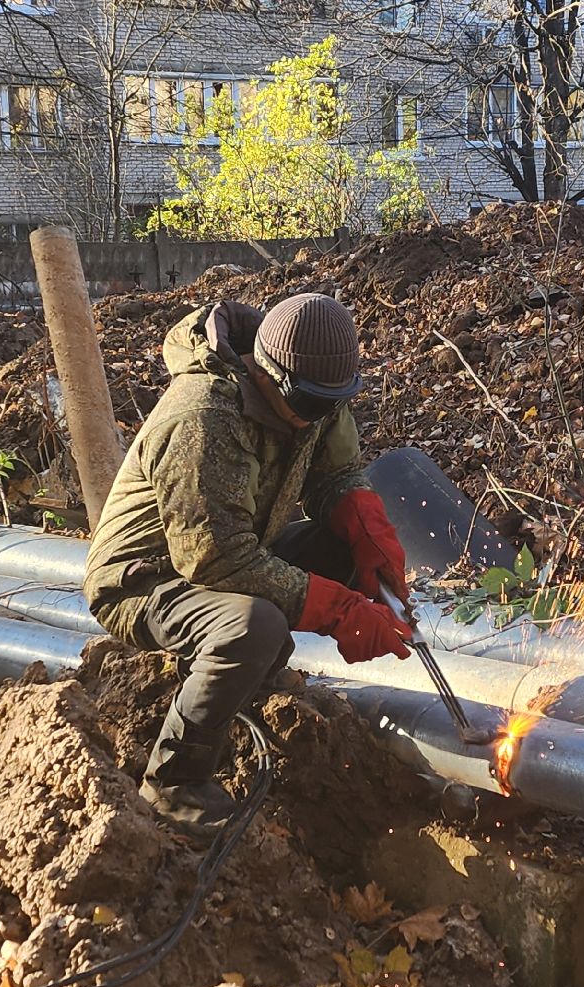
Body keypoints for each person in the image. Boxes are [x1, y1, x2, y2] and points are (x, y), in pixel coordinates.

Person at [84, 293, 415, 834]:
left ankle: (245, 679)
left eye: (333, 404)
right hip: (146, 578)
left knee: (343, 554)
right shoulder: (203, 416)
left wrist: (366, 529)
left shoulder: (314, 389)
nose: (320, 417)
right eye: (311, 406)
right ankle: (173, 781)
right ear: (268, 375)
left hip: (234, 550)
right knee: (252, 625)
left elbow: (335, 472)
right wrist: (338, 611)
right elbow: (215, 559)